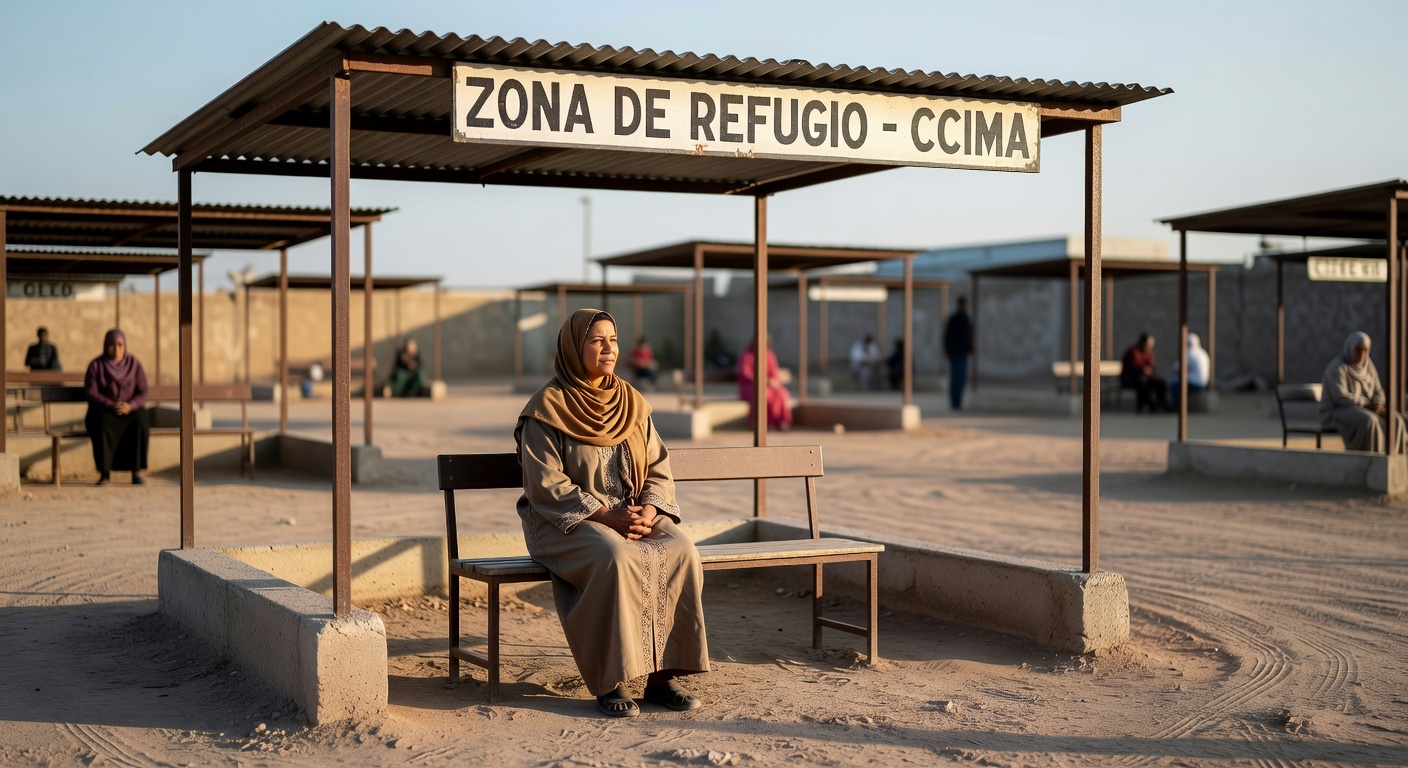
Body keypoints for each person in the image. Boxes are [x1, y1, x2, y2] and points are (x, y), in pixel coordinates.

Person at [515, 308, 708, 718]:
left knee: (682, 550)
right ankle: (612, 680)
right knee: (615, 557)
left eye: (613, 340)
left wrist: (650, 508)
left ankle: (661, 678)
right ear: (573, 347)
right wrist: (605, 516)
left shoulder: (632, 403)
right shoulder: (547, 407)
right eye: (596, 340)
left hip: (631, 515)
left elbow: (659, 466)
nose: (608, 349)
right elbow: (545, 483)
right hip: (562, 521)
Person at [1320, 331, 1406, 453]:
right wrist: (1366, 404)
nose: (1362, 354)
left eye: (1365, 351)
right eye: (1358, 350)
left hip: (1365, 408)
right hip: (1336, 411)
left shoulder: (1368, 366)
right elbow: (1340, 397)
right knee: (1370, 420)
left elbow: (1378, 390)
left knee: (1395, 419)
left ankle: (1394, 459)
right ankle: (1370, 460)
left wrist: (1378, 404)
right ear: (1350, 348)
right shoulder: (1338, 367)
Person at [83, 329, 150, 485]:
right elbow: (91, 393)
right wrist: (111, 405)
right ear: (106, 346)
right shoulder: (96, 366)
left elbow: (143, 391)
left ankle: (136, 472)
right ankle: (104, 474)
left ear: (125, 346)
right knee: (102, 423)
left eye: (120, 345)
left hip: (129, 410)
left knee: (140, 421)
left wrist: (131, 405)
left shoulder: (134, 364)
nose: (116, 349)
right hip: (104, 410)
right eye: (112, 345)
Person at [738, 335, 792, 430]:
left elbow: (774, 373)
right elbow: (746, 374)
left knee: (782, 393)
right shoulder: (747, 355)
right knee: (763, 395)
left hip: (769, 385)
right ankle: (761, 423)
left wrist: (771, 381)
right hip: (751, 386)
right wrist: (764, 380)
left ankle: (780, 421)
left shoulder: (769, 355)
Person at [1120, 333, 1169, 413]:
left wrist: (1149, 371)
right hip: (1131, 378)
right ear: (1143, 344)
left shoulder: (1149, 353)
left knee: (1160, 383)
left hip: (1145, 377)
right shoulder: (1133, 352)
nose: (1150, 348)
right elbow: (1132, 368)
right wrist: (1143, 370)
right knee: (1142, 384)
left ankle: (1161, 404)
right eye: (1148, 345)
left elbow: (1151, 367)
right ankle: (1143, 407)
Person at [943, 298, 973, 410]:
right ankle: (956, 402)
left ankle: (956, 402)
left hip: (956, 352)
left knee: (957, 378)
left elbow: (948, 336)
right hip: (959, 352)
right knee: (958, 378)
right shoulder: (961, 318)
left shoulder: (956, 318)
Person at [1168, 332, 1210, 409]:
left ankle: (1176, 406)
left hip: (1194, 383)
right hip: (1204, 383)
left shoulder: (1189, 353)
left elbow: (1176, 368)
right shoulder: (1203, 353)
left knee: (1174, 384)